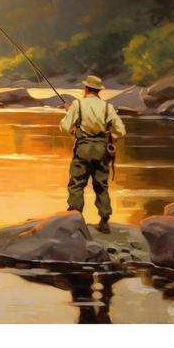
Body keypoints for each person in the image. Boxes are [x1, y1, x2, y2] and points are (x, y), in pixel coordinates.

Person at [59, 74, 126, 233]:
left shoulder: (77, 105)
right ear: (98, 91)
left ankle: (75, 220)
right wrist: (111, 137)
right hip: (101, 150)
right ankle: (104, 222)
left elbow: (65, 127)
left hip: (83, 148)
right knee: (101, 185)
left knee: (76, 184)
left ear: (86, 89)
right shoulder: (107, 107)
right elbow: (121, 131)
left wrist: (69, 113)